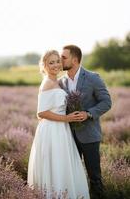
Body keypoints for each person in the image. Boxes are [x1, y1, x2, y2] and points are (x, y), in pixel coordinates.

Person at [27, 50, 90, 199]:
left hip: (61, 129)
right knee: (55, 164)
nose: (55, 65)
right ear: (44, 66)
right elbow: (41, 113)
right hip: (52, 130)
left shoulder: (58, 81)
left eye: (57, 61)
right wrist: (66, 118)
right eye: (51, 62)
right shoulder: (47, 83)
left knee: (62, 164)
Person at [59, 45, 112, 199]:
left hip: (89, 135)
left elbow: (106, 102)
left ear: (74, 60)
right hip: (68, 135)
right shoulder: (61, 82)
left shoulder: (92, 78)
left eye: (64, 57)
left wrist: (88, 114)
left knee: (94, 177)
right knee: (72, 175)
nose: (60, 60)